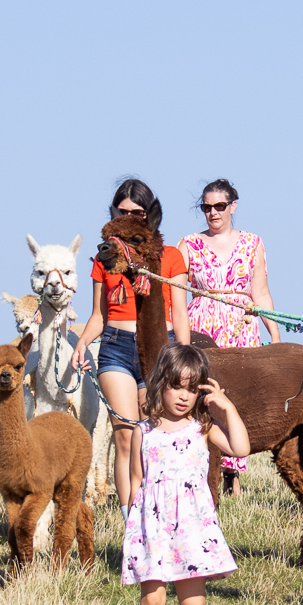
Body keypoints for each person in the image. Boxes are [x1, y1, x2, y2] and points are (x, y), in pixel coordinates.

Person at [120, 344, 249, 605]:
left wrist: (227, 407)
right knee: (153, 601)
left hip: (192, 530)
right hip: (154, 530)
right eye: (177, 385)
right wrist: (132, 529)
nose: (183, 396)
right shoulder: (142, 432)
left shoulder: (202, 428)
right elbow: (136, 482)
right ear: (161, 382)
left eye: (192, 389)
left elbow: (241, 448)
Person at [72, 179, 191, 507]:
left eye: (138, 212)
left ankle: (156, 509)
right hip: (116, 346)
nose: (130, 216)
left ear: (149, 215)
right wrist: (82, 343)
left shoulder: (170, 257)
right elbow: (98, 314)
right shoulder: (105, 258)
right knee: (125, 436)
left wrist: (184, 359)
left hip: (159, 348)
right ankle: (130, 522)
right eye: (122, 212)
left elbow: (179, 313)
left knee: (152, 435)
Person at [179, 178, 281, 496]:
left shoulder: (253, 243)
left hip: (241, 326)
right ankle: (205, 466)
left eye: (219, 206)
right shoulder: (188, 244)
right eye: (207, 207)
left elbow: (261, 293)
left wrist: (275, 336)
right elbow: (176, 296)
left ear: (232, 206)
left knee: (237, 397)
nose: (213, 212)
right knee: (201, 396)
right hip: (201, 327)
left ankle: (232, 475)